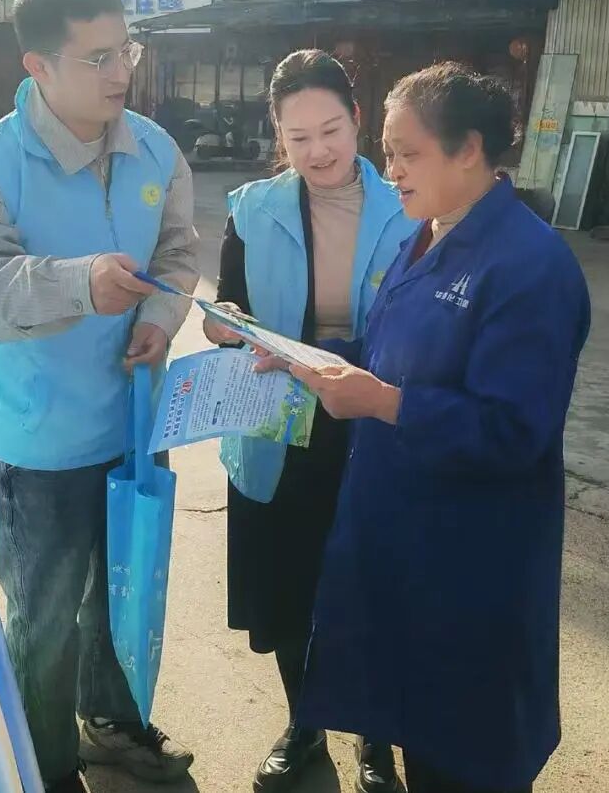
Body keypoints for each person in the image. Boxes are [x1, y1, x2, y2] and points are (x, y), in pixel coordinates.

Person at [262, 63, 591, 793]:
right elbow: (387, 350)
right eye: (387, 152)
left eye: (407, 153)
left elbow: (512, 430)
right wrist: (300, 357)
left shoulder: (529, 266)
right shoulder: (429, 235)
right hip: (405, 549)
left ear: (468, 149)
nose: (391, 171)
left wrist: (385, 404)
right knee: (420, 738)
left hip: (471, 563)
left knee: (466, 757)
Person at [0, 0, 199, 793]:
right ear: (38, 66)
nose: (122, 73)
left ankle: (111, 726)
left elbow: (177, 253)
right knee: (44, 622)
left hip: (133, 425)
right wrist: (78, 284)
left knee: (119, 599)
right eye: (98, 58)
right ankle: (45, 768)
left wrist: (160, 319)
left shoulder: (154, 148)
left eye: (127, 51)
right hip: (42, 443)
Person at [203, 50, 417, 793]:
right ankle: (305, 724)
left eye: (331, 130)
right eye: (299, 137)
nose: (318, 151)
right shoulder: (252, 210)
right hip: (280, 425)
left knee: (372, 587)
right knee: (290, 589)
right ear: (279, 136)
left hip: (369, 422)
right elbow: (230, 307)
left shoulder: (407, 208)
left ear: (358, 120)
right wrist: (225, 323)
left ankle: (376, 740)